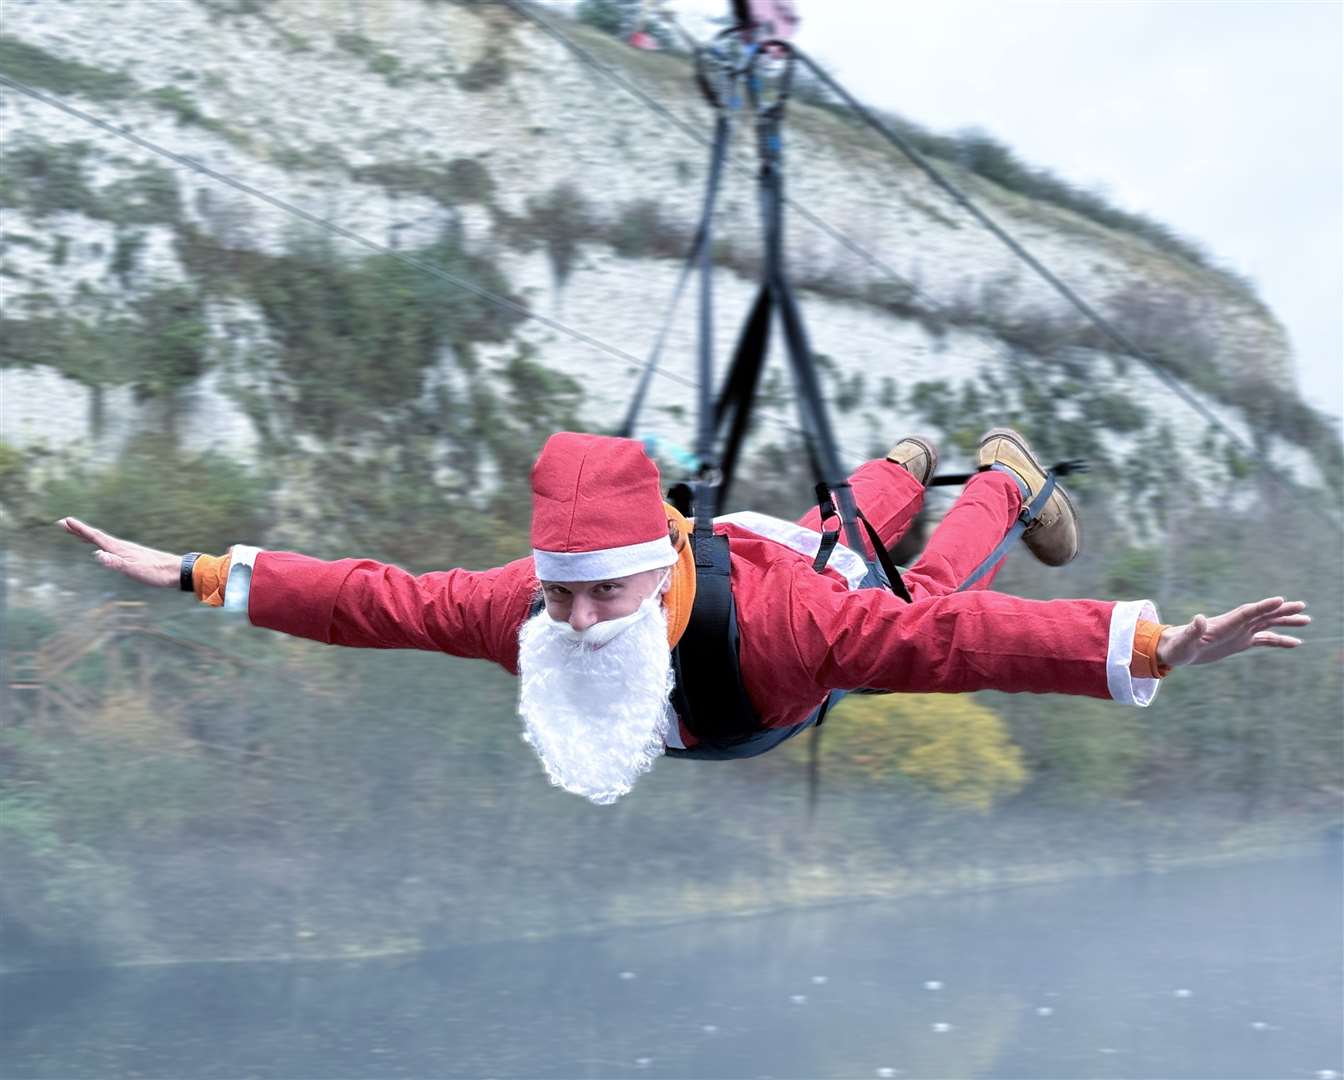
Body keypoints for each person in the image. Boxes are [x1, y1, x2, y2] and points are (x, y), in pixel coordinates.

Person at [58, 428, 1309, 805]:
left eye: (606, 589)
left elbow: (959, 645)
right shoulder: (527, 612)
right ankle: (899, 456)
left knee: (901, 586)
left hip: (785, 615)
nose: (587, 619)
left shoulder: (787, 631)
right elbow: (369, 600)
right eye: (566, 592)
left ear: (655, 562)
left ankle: (996, 477)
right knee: (840, 529)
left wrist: (1152, 644)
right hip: (762, 576)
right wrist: (196, 572)